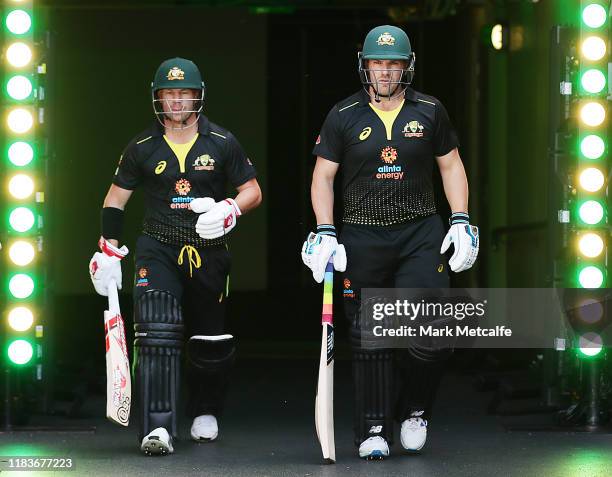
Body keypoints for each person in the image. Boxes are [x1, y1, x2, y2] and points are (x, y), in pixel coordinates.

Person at [301, 25, 479, 459]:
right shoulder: (343, 114)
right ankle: (373, 430)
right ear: (365, 66)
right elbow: (323, 177)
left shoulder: (429, 110)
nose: (385, 72)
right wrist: (325, 229)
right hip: (361, 235)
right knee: (371, 335)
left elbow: (451, 166)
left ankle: (415, 409)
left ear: (407, 67)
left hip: (420, 233)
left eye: (393, 64)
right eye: (377, 64)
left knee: (432, 331)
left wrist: (461, 220)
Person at [89, 57, 262, 456]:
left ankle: (206, 408)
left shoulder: (222, 141)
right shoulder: (142, 147)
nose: (177, 101)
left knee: (210, 341)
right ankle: (159, 428)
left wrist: (230, 209)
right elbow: (115, 200)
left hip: (209, 250)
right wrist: (107, 250)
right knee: (157, 332)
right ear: (159, 98)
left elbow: (252, 189)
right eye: (170, 94)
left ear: (198, 96)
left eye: (184, 93)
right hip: (158, 247)